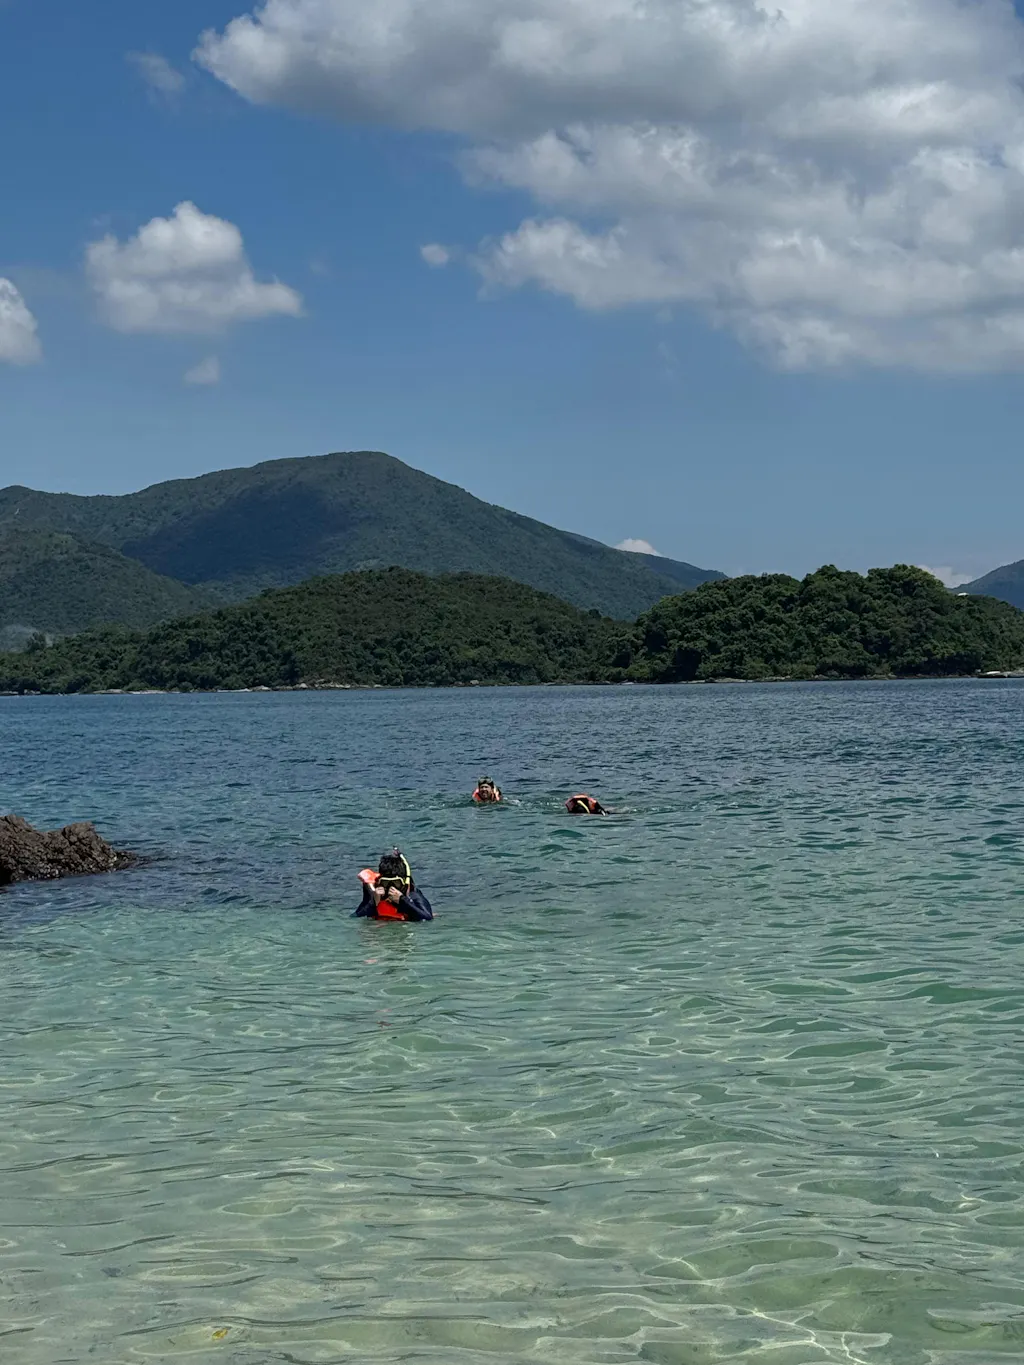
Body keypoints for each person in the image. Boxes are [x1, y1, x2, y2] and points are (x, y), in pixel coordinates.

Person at [353, 849, 434, 922]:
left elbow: (427, 918)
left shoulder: (413, 895)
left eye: (396, 883)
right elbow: (354, 917)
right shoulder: (375, 894)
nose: (390, 888)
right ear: (380, 881)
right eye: (386, 883)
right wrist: (374, 902)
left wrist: (402, 900)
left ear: (404, 883)